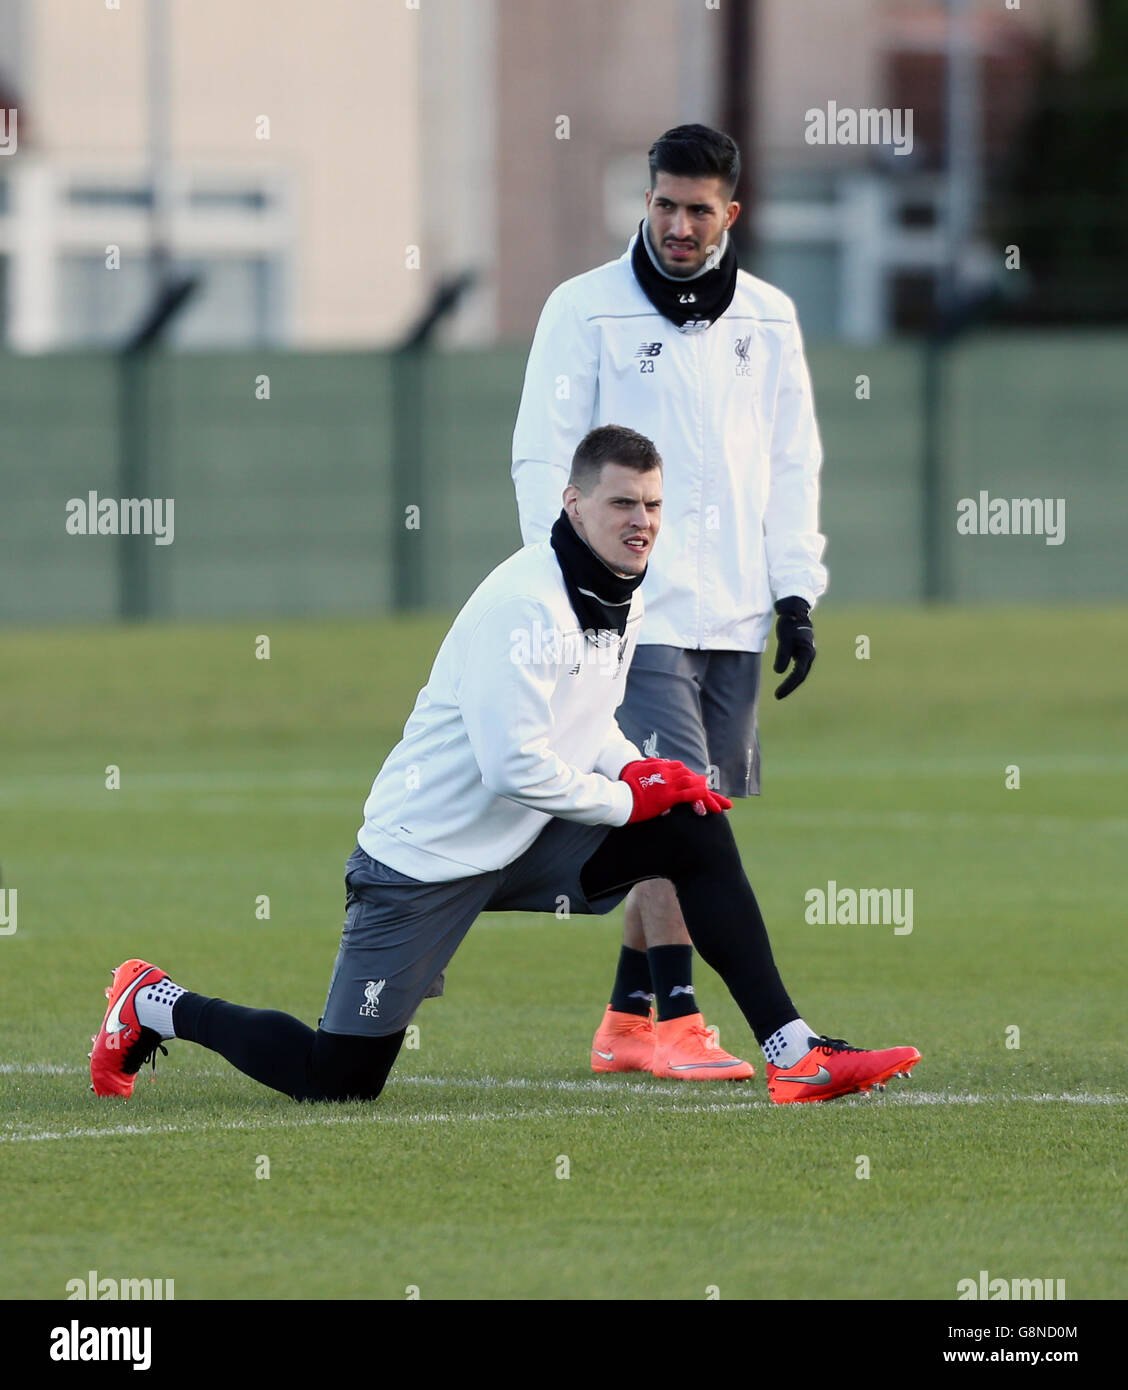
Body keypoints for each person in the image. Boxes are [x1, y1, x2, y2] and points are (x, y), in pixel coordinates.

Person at [89, 426, 919, 1108]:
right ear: (574, 502)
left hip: (526, 839)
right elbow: (513, 765)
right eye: (623, 502)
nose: (643, 521)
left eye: (655, 505)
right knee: (336, 1081)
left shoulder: (622, 587)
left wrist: (639, 773)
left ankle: (795, 1053)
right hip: (425, 858)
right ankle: (154, 1002)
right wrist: (626, 803)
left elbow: (586, 723)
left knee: (692, 830)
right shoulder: (528, 603)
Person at [512, 124, 826, 1080]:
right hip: (628, 616)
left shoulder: (769, 318)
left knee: (700, 812)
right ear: (644, 201)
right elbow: (543, 452)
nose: (679, 224)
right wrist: (566, 583)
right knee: (681, 815)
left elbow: (789, 465)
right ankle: (678, 1019)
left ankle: (623, 1018)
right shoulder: (585, 310)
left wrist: (796, 593)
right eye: (664, 204)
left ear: (731, 212)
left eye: (698, 209)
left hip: (731, 614)